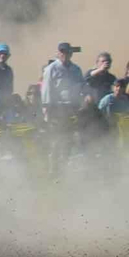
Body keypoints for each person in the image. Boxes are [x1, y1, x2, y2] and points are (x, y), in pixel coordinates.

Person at [41, 42, 85, 171]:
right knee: (56, 140)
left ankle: (64, 167)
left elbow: (81, 85)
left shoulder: (76, 69)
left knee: (69, 139)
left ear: (71, 53)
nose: (64, 54)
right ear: (58, 53)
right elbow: (47, 89)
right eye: (62, 52)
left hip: (72, 108)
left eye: (67, 52)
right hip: (56, 108)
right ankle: (53, 169)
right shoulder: (51, 68)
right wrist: (46, 108)